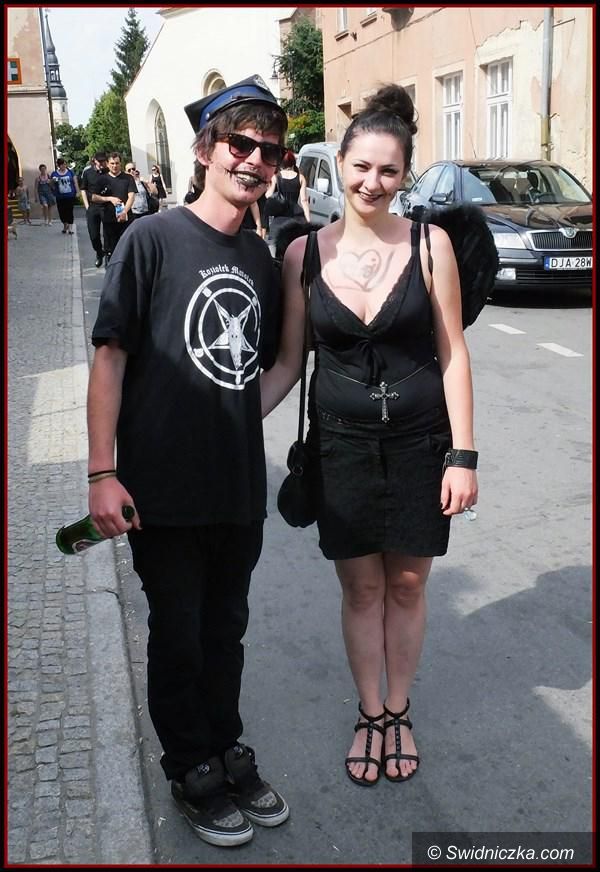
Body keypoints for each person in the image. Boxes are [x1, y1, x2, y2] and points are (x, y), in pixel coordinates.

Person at [86, 74, 289, 847]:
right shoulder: (150, 240)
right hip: (161, 491)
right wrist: (102, 473)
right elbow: (110, 359)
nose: (255, 159)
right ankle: (190, 767)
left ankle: (225, 744)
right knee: (178, 635)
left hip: (237, 490)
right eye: (241, 143)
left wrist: (232, 421)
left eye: (269, 150)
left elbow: (263, 370)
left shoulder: (261, 259)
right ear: (206, 150)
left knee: (225, 632)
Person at [261, 85, 478, 786]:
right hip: (342, 449)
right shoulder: (302, 255)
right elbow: (288, 363)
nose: (372, 182)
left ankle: (399, 709)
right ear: (339, 165)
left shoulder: (430, 246)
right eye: (361, 167)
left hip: (420, 447)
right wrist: (226, 421)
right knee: (360, 590)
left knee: (408, 586)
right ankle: (369, 712)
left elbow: (453, 354)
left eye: (388, 170)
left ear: (404, 174)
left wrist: (463, 457)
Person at [91, 152, 136, 264]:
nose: (114, 166)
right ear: (107, 164)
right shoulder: (102, 179)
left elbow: (131, 196)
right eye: (112, 163)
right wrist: (109, 199)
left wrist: (124, 211)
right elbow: (94, 197)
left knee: (127, 249)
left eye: (117, 163)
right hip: (109, 220)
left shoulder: (128, 178)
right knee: (111, 251)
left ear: (120, 164)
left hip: (125, 220)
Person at [264, 149, 310, 243]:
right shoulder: (300, 178)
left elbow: (268, 195)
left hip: (279, 219)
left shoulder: (276, 177)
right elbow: (304, 200)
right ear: (293, 163)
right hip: (295, 218)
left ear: (281, 163)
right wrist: (308, 220)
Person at [80, 152, 109, 268]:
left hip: (107, 206)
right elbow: (83, 189)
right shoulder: (88, 173)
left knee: (108, 234)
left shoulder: (109, 171)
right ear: (94, 161)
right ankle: (99, 252)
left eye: (103, 161)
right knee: (94, 235)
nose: (102, 163)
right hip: (93, 207)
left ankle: (108, 255)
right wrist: (87, 206)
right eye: (99, 161)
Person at [51, 158, 80, 234]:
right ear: (58, 165)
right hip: (60, 196)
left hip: (70, 195)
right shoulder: (54, 174)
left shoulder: (70, 172)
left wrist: (78, 192)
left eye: (65, 164)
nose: (64, 166)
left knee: (69, 211)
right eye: (62, 164)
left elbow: (75, 182)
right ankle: (65, 225)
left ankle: (70, 228)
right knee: (61, 212)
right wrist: (52, 181)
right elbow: (51, 185)